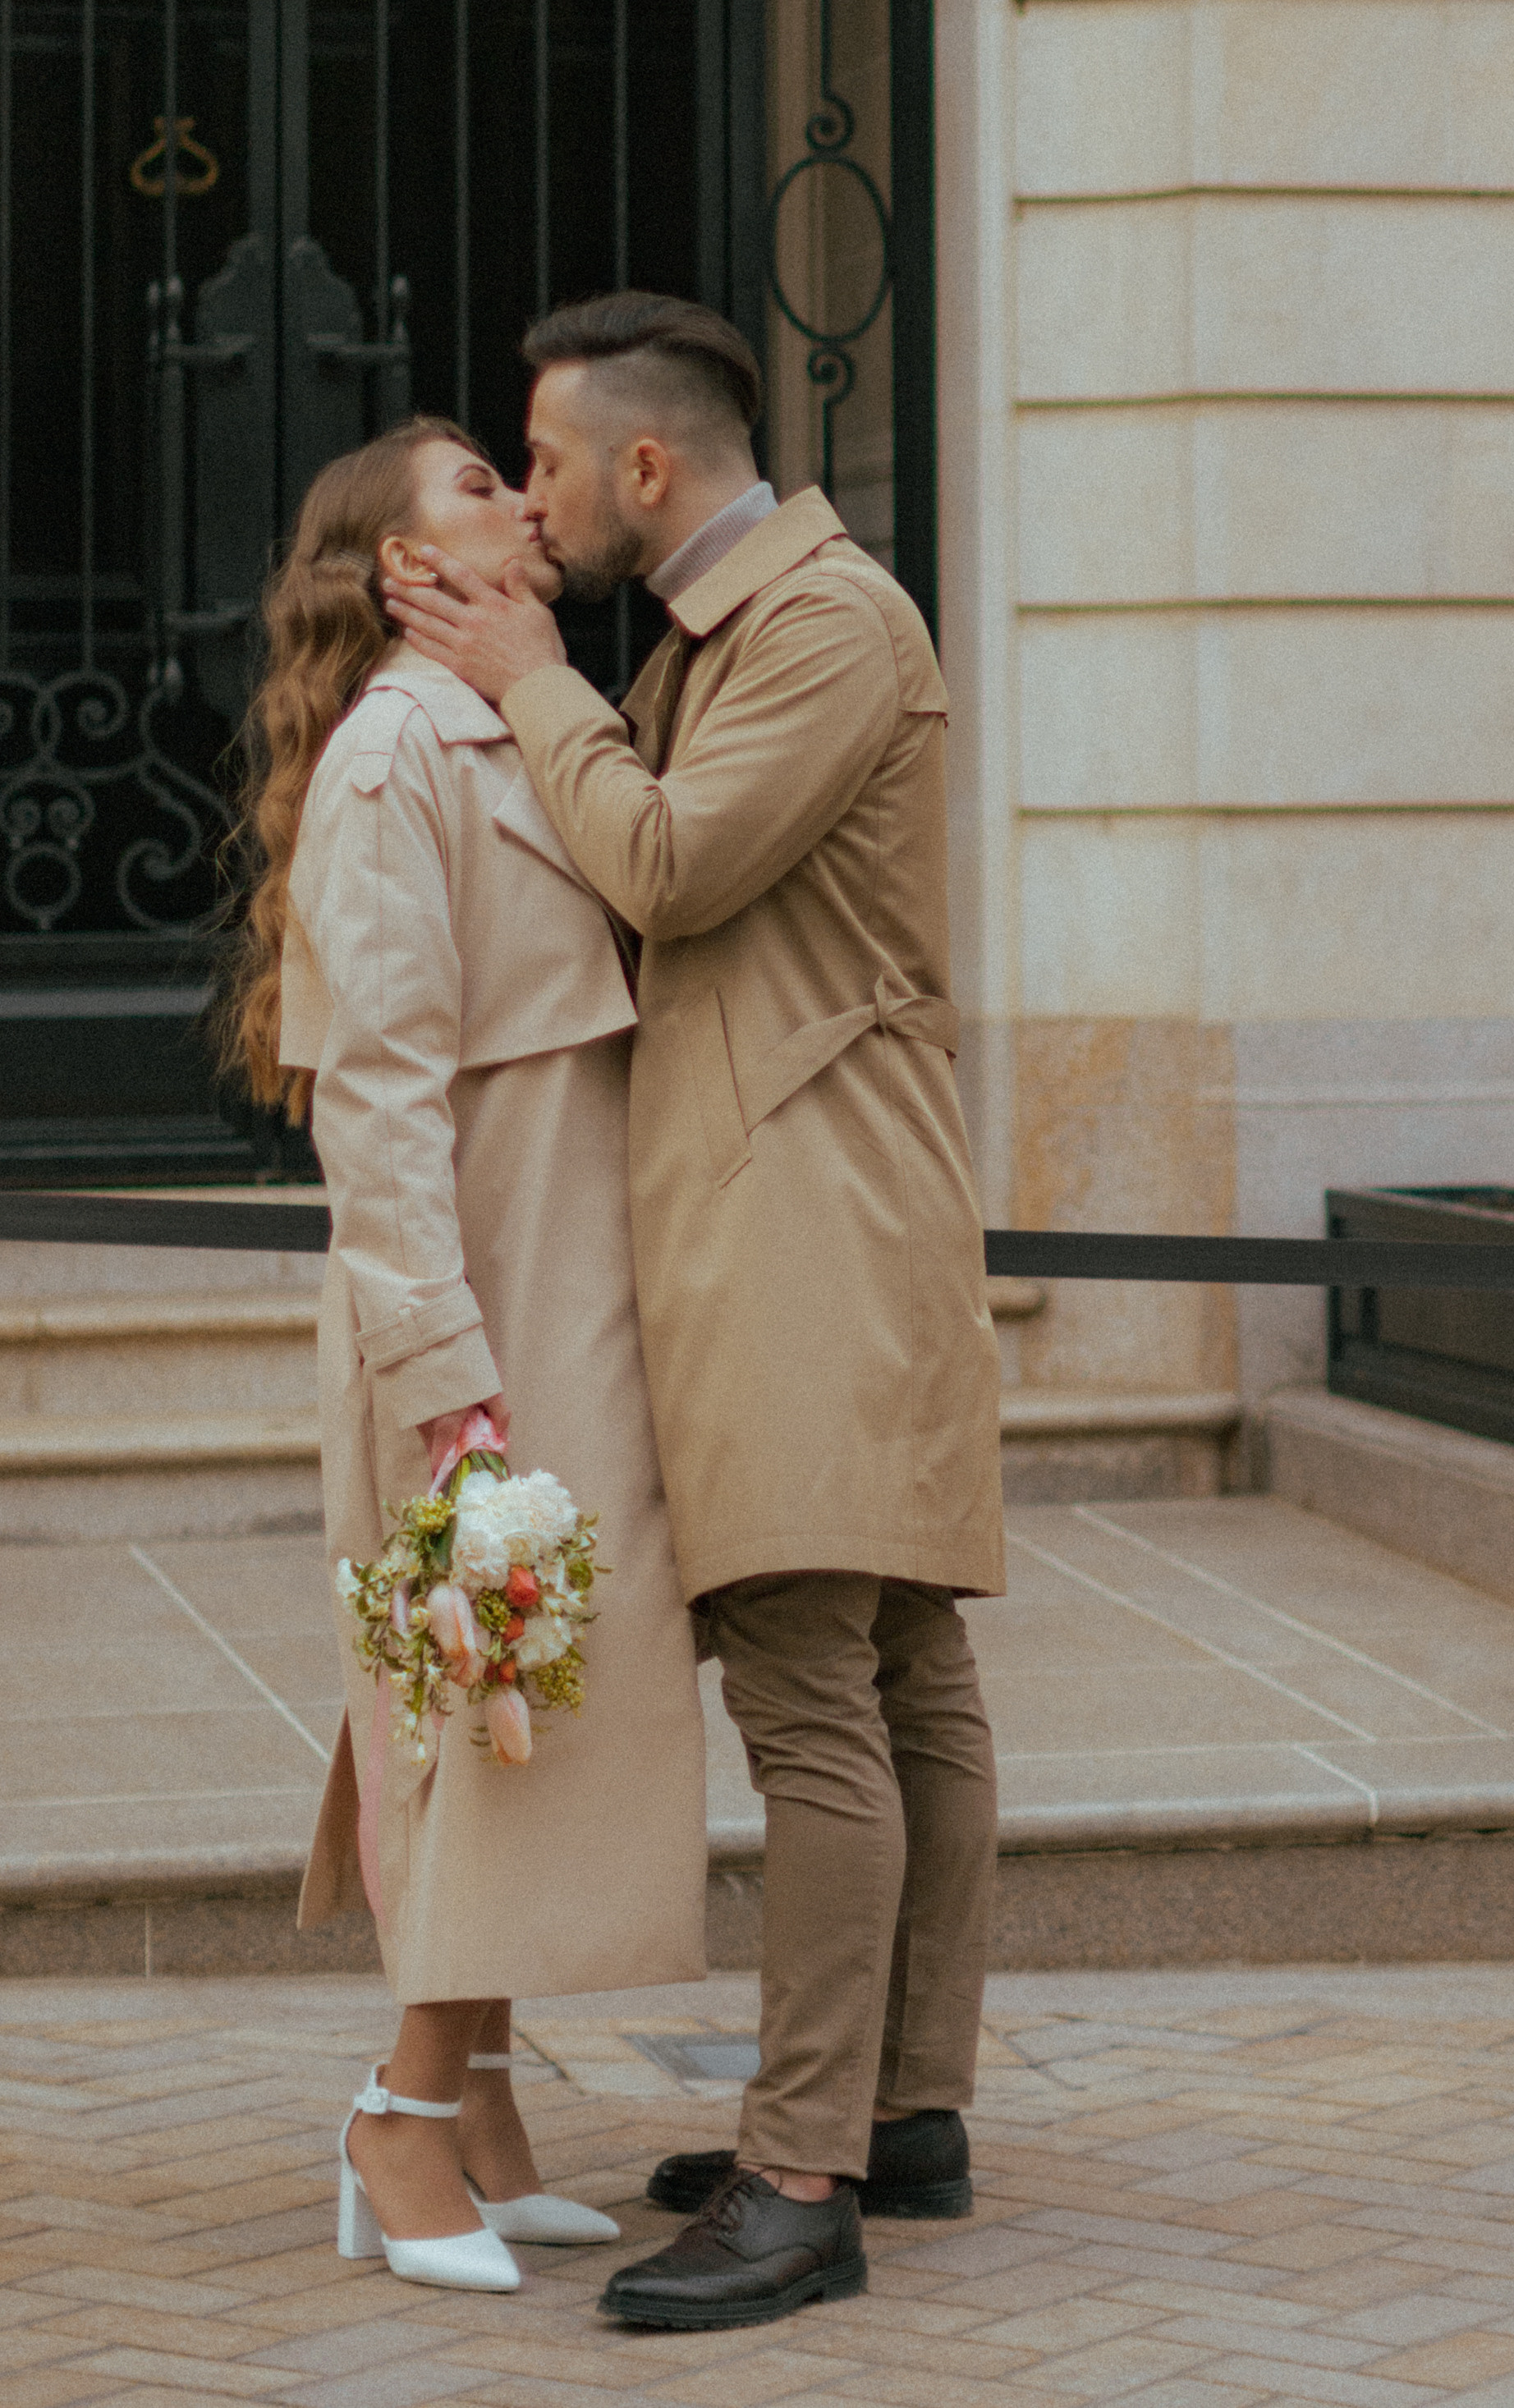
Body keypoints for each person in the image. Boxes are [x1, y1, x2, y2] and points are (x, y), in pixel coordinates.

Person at [383, 291, 1007, 2335]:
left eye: (546, 462)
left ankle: (805, 2170)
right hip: (806, 1199)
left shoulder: (826, 622)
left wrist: (532, 677)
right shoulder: (719, 635)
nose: (536, 500)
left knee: (828, 1685)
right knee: (897, 1675)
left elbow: (667, 861)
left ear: (648, 464)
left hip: (809, 1218)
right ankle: (902, 2110)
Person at [225, 415, 707, 2296]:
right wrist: (448, 1370)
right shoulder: (394, 760)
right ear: (397, 566)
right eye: (474, 488)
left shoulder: (527, 718)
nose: (521, 498)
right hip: (481, 1293)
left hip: (567, 1274)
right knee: (480, 1697)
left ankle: (486, 2104)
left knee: (532, 1688)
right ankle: (399, 2124)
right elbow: (382, 1096)